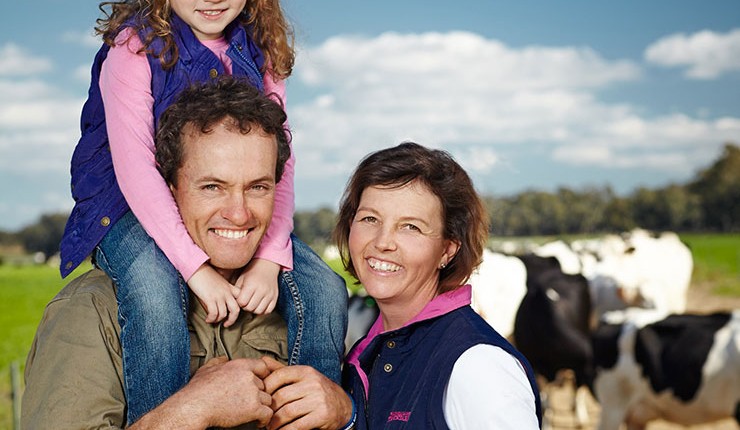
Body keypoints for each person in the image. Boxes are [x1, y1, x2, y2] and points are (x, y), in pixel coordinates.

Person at [58, 0, 346, 422]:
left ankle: (303, 416)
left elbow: (280, 163)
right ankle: (168, 415)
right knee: (155, 296)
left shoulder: (260, 49)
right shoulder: (134, 48)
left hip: (211, 206)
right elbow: (136, 170)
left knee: (325, 288)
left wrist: (270, 257)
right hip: (124, 207)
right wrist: (196, 269)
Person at [24, 77, 312, 429]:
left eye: (258, 187)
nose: (239, 213)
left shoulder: (303, 307)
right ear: (169, 188)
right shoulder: (93, 312)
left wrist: (347, 415)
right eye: (212, 187)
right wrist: (191, 410)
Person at [263, 142, 543, 429]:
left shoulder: (478, 366)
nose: (383, 242)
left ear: (447, 250)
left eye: (411, 227)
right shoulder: (367, 352)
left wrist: (349, 417)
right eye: (370, 219)